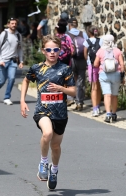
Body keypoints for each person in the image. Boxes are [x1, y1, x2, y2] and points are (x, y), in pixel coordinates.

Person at [20, 35, 76, 190]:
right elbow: (26, 80)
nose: (52, 52)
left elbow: (73, 92)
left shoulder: (65, 69)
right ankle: (43, 163)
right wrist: (23, 101)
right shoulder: (37, 68)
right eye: (49, 49)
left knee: (56, 146)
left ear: (60, 51)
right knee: (47, 133)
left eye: (56, 49)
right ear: (43, 51)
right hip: (42, 111)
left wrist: (60, 89)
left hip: (60, 114)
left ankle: (54, 170)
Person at [0, 18, 23, 105]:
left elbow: (20, 49)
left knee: (11, 78)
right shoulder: (4, 34)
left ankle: (7, 97)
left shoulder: (18, 35)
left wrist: (21, 61)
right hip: (3, 60)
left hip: (13, 61)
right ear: (8, 25)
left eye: (15, 23)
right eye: (12, 23)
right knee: (2, 81)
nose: (14, 25)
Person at [93, 34, 125, 123]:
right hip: (116, 75)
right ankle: (114, 113)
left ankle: (108, 114)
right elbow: (122, 64)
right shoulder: (117, 51)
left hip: (104, 74)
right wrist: (122, 76)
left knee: (107, 95)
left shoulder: (100, 51)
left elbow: (95, 64)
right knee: (114, 95)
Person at [67, 18, 89, 110]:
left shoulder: (67, 35)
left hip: (72, 60)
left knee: (72, 79)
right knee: (81, 80)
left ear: (69, 25)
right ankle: (80, 101)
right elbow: (88, 45)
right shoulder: (83, 34)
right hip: (82, 59)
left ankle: (72, 98)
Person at [83, 26, 102, 116]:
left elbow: (85, 54)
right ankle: (98, 106)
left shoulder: (86, 42)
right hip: (100, 65)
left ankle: (95, 109)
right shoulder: (101, 41)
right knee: (98, 87)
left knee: (93, 87)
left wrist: (89, 63)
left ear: (88, 33)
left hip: (92, 66)